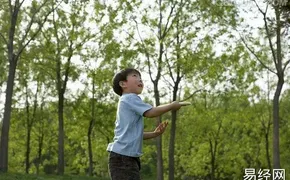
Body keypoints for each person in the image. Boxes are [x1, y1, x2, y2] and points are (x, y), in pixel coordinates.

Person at [107, 68, 187, 180]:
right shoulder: (130, 98)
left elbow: (134, 134)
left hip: (124, 158)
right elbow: (151, 112)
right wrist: (171, 106)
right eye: (135, 76)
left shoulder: (126, 102)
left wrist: (154, 134)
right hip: (124, 159)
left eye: (141, 78)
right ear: (123, 84)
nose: (140, 80)